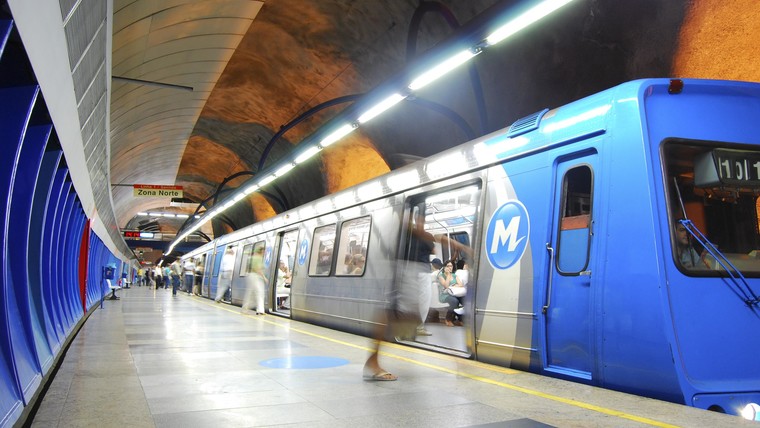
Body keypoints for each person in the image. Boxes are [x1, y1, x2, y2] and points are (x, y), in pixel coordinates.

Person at [437, 259, 464, 327]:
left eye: (451, 266)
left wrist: (454, 285)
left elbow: (461, 285)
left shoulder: (454, 275)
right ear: (444, 267)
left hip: (454, 293)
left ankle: (460, 319)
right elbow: (446, 286)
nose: (450, 268)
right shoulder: (441, 276)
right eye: (448, 266)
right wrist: (448, 275)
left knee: (463, 300)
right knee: (454, 301)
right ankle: (448, 319)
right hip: (445, 295)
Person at [243, 246, 266, 314]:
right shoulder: (258, 258)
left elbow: (246, 269)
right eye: (264, 251)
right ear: (261, 251)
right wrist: (264, 277)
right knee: (260, 292)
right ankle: (260, 310)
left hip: (250, 276)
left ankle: (245, 309)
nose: (264, 252)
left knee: (249, 293)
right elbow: (258, 269)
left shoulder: (251, 258)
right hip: (256, 276)